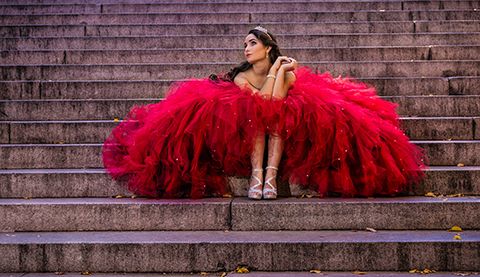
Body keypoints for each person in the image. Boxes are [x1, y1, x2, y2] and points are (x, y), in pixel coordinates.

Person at [103, 26, 425, 200]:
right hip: (255, 121)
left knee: (279, 117)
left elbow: (277, 106)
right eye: (244, 44)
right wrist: (279, 70)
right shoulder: (242, 76)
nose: (246, 49)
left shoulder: (283, 69)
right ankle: (258, 176)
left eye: (252, 43)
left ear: (267, 47)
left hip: (280, 123)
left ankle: (269, 176)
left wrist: (281, 71)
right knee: (258, 115)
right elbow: (265, 105)